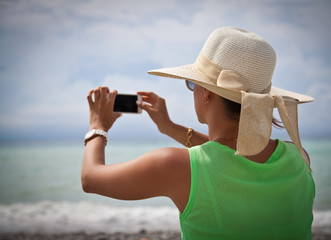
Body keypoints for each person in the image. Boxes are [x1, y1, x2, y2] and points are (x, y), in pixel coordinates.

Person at [82, 27, 315, 240]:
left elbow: (90, 179)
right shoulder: (299, 156)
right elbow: (233, 154)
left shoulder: (175, 166)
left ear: (206, 92)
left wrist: (97, 126)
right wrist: (169, 127)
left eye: (192, 84)